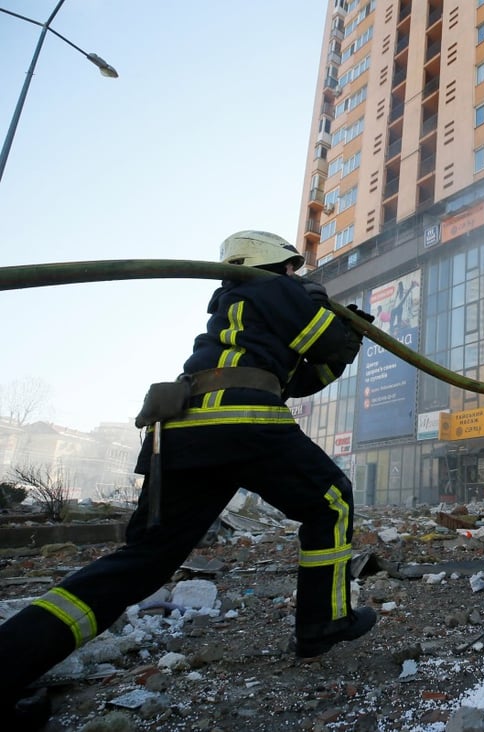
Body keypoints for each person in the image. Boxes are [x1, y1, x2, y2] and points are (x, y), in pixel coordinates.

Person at [0, 231, 377, 729]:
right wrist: (336, 319)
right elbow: (324, 339)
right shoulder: (274, 289)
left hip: (181, 433)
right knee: (331, 502)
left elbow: (300, 378)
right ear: (276, 264)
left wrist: (342, 340)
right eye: (292, 268)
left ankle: (9, 661)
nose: (296, 275)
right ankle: (322, 621)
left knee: (141, 562)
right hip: (241, 423)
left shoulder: (233, 313)